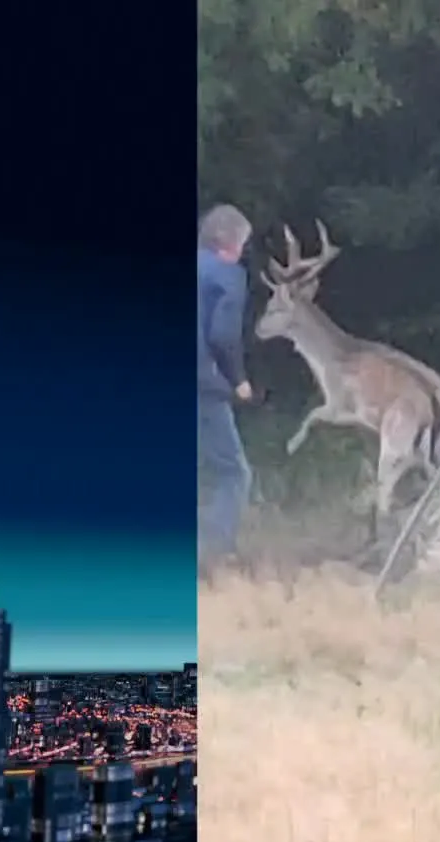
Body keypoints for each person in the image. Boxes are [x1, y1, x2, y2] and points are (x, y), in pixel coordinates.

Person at [197, 204, 256, 576]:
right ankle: (211, 554)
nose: (242, 250)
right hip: (201, 384)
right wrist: (239, 380)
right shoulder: (227, 276)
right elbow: (221, 335)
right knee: (234, 473)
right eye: (242, 243)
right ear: (228, 242)